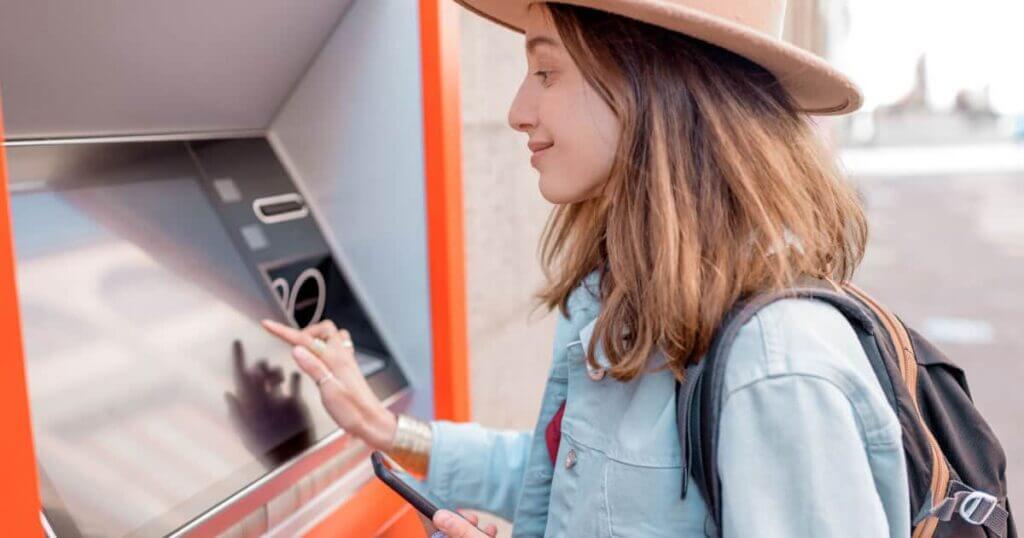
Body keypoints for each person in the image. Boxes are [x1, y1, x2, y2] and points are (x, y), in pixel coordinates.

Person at [263, 1, 911, 536]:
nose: (518, 110)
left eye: (546, 71)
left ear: (654, 82)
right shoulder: (625, 298)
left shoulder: (776, 368)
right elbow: (576, 481)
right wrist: (389, 431)